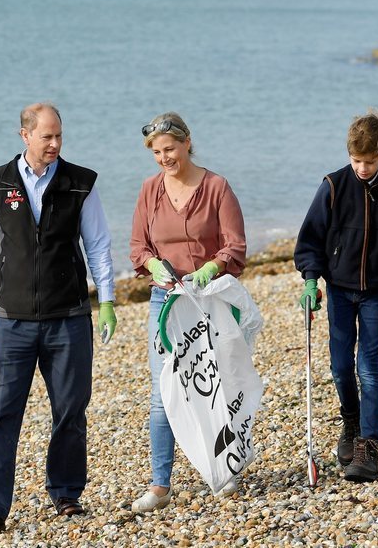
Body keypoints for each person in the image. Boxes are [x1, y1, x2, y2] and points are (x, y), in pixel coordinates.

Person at [0, 102, 117, 535]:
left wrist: (107, 300)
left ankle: (65, 493)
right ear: (24, 135)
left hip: (69, 317)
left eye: (59, 136)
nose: (55, 144)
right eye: (46, 136)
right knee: (1, 413)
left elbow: (98, 245)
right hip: (11, 321)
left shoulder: (80, 183)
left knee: (70, 409)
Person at [293, 109, 378, 482]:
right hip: (338, 289)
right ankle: (350, 420)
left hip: (377, 291)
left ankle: (368, 445)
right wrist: (310, 280)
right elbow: (311, 238)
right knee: (339, 367)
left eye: (369, 161)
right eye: (356, 160)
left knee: (368, 366)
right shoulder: (333, 186)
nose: (362, 168)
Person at [128, 112, 246, 513]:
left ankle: (224, 466)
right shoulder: (149, 190)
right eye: (157, 152)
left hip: (208, 298)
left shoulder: (216, 187)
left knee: (214, 385)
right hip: (165, 302)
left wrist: (211, 266)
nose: (165, 158)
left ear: (187, 143)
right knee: (165, 393)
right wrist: (153, 266)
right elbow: (138, 248)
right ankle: (160, 485)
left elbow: (235, 247)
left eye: (171, 149)